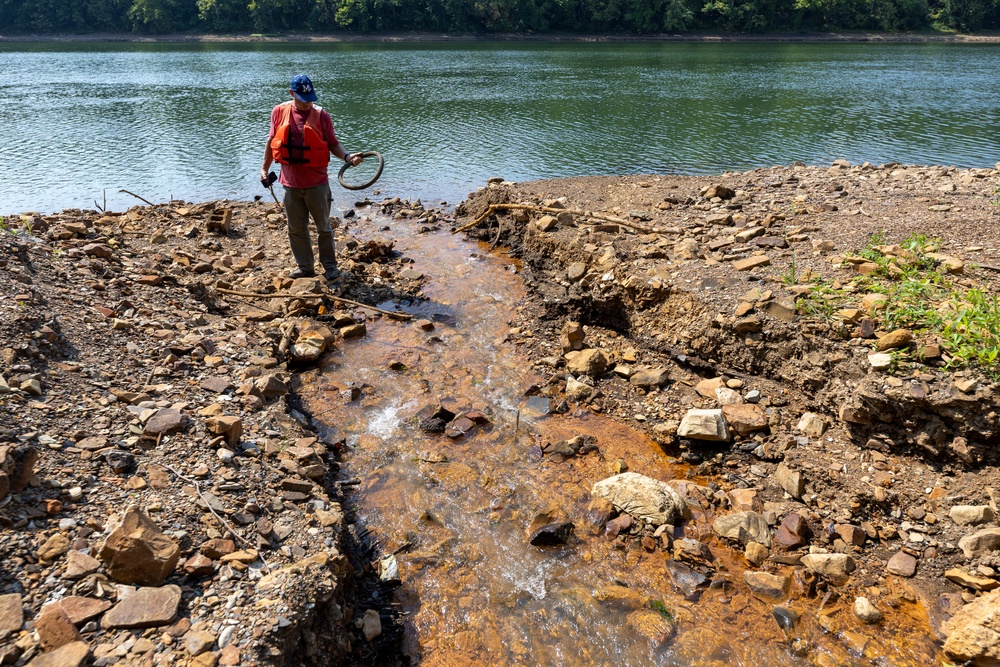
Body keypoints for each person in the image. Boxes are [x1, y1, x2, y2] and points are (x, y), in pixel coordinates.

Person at [261, 74, 362, 280]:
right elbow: (272, 141)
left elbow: (333, 143)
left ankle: (330, 267)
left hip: (317, 184)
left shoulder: (321, 115)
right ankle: (305, 267)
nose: (308, 103)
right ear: (292, 94)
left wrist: (347, 156)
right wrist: (264, 169)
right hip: (290, 185)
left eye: (310, 99)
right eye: (302, 99)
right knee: (296, 229)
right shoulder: (279, 112)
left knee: (323, 227)